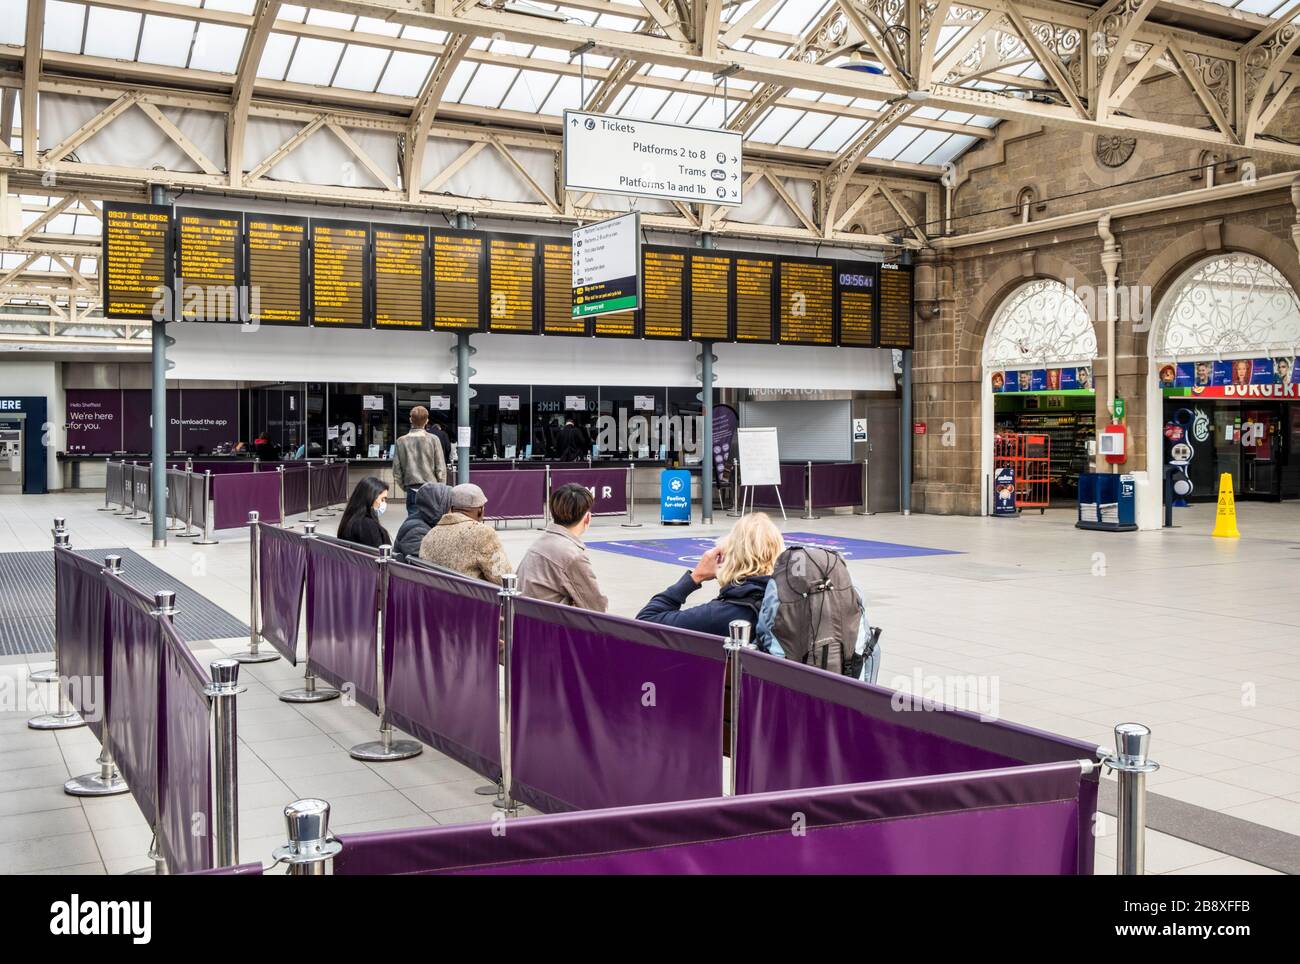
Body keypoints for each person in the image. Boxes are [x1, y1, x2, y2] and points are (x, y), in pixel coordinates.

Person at [635, 513, 782, 635]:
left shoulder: (720, 614)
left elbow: (645, 623)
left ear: (729, 557)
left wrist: (696, 576)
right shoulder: (793, 602)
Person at [755, 549, 882, 685]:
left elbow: (763, 634)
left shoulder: (778, 586)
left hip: (786, 688)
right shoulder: (851, 584)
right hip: (848, 689)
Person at [517, 483, 607, 612]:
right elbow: (597, 607)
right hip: (549, 627)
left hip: (527, 622)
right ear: (587, 518)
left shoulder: (539, 543)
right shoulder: (571, 555)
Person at [419, 483, 512, 585]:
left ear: (452, 508)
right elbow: (503, 577)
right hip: (471, 599)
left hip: (435, 597)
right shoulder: (483, 533)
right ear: (480, 510)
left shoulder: (431, 534)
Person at [392, 405, 448, 514]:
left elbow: (396, 471)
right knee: (432, 523)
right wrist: (441, 488)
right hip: (432, 489)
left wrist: (405, 487)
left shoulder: (401, 441)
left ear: (410, 420)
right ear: (427, 421)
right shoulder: (433, 440)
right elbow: (441, 468)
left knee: (413, 524)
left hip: (412, 488)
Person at [393, 482, 452, 562]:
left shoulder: (429, 520)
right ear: (438, 506)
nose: (453, 511)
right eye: (450, 506)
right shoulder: (416, 531)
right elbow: (424, 565)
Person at [337, 476, 390, 549]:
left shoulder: (350, 519)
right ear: (370, 498)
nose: (384, 503)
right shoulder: (367, 525)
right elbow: (376, 553)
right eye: (382, 499)